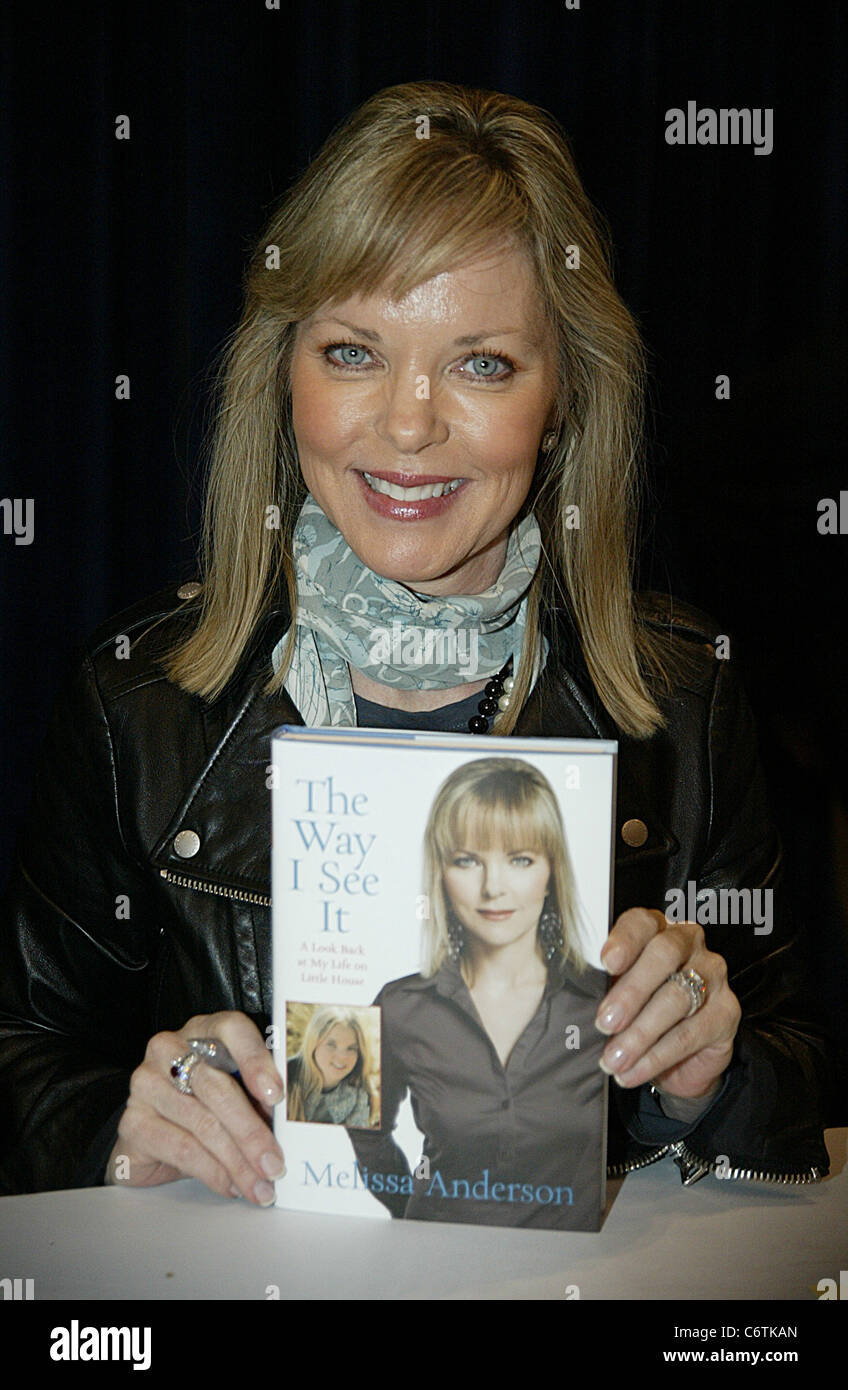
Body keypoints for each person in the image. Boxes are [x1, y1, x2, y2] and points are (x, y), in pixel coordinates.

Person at [0, 81, 831, 1209]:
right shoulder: (133, 698)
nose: (405, 422)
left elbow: (797, 1062)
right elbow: (27, 1050)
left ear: (565, 398)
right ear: (284, 374)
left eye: (480, 362)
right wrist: (127, 1127)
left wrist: (705, 1074)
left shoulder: (682, 697)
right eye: (352, 351)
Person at [348, 757, 609, 1228]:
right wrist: (411, 1212)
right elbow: (363, 1130)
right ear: (440, 873)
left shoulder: (603, 1003)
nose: (493, 888)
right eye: (467, 860)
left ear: (552, 872)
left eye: (520, 859)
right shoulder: (397, 1005)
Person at [286, 1006, 377, 1129]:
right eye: (331, 1044)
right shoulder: (287, 1078)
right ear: (313, 1044)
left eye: (351, 1048)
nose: (342, 1057)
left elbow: (358, 1141)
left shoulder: (358, 1094)